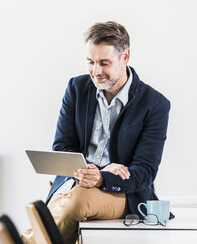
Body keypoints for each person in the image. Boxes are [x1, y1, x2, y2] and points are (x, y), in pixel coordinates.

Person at [21, 21, 173, 244]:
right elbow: (63, 147)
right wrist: (92, 171)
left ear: (126, 57)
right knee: (72, 197)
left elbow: (145, 171)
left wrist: (103, 176)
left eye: (104, 63)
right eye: (90, 62)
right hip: (78, 181)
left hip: (123, 194)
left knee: (78, 199)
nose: (96, 71)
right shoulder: (76, 88)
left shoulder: (155, 104)